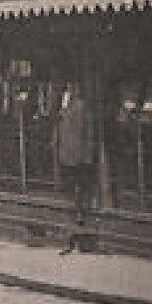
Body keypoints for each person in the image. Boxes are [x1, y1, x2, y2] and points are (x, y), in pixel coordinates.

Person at [55, 83, 98, 250]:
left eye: (72, 88)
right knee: (73, 189)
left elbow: (88, 133)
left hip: (77, 156)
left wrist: (87, 156)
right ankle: (76, 220)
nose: (70, 91)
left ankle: (81, 222)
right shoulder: (68, 106)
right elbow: (61, 127)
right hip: (70, 155)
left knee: (80, 189)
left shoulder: (82, 107)